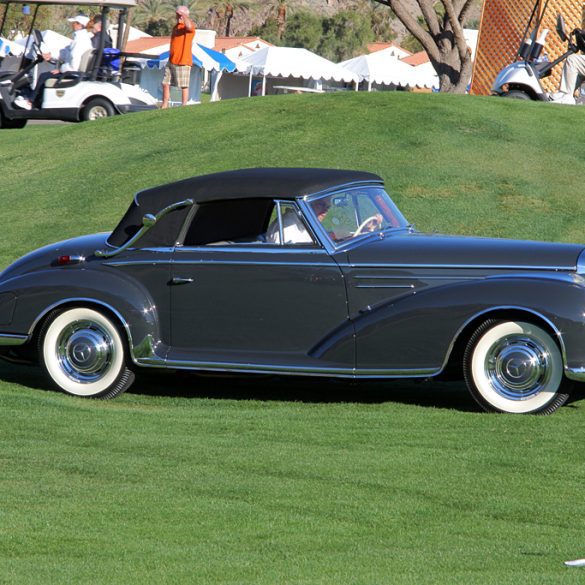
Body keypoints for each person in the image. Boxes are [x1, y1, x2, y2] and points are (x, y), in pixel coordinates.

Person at [14, 14, 93, 109]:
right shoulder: (81, 38)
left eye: (74, 23)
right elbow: (65, 53)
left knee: (44, 76)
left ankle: (30, 101)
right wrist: (51, 55)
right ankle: (37, 101)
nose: (72, 25)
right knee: (46, 75)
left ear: (79, 25)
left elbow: (74, 63)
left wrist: (61, 70)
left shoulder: (79, 41)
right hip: (74, 71)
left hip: (73, 72)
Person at [161, 5, 196, 108]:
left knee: (183, 85)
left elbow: (189, 27)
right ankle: (164, 104)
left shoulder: (189, 27)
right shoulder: (176, 27)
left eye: (178, 14)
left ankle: (184, 105)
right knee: (165, 83)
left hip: (183, 61)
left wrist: (183, 15)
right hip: (172, 60)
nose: (177, 16)